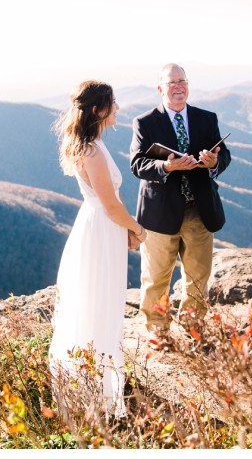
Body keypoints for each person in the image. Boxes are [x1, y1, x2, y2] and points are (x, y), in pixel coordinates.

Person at [48, 80, 147, 419]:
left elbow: (110, 204)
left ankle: (97, 383)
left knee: (100, 300)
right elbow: (110, 204)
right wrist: (136, 229)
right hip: (102, 228)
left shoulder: (92, 145)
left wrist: (125, 231)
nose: (117, 107)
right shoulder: (91, 149)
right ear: (96, 109)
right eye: (112, 102)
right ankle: (99, 394)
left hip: (103, 227)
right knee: (100, 301)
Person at [130, 63, 231, 345]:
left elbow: (224, 155)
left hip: (199, 211)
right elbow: (137, 164)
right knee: (156, 278)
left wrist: (214, 163)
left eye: (182, 81)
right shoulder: (145, 122)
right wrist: (166, 165)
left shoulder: (206, 118)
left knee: (198, 276)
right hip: (160, 214)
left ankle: (193, 327)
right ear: (160, 88)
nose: (178, 86)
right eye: (172, 82)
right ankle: (158, 334)